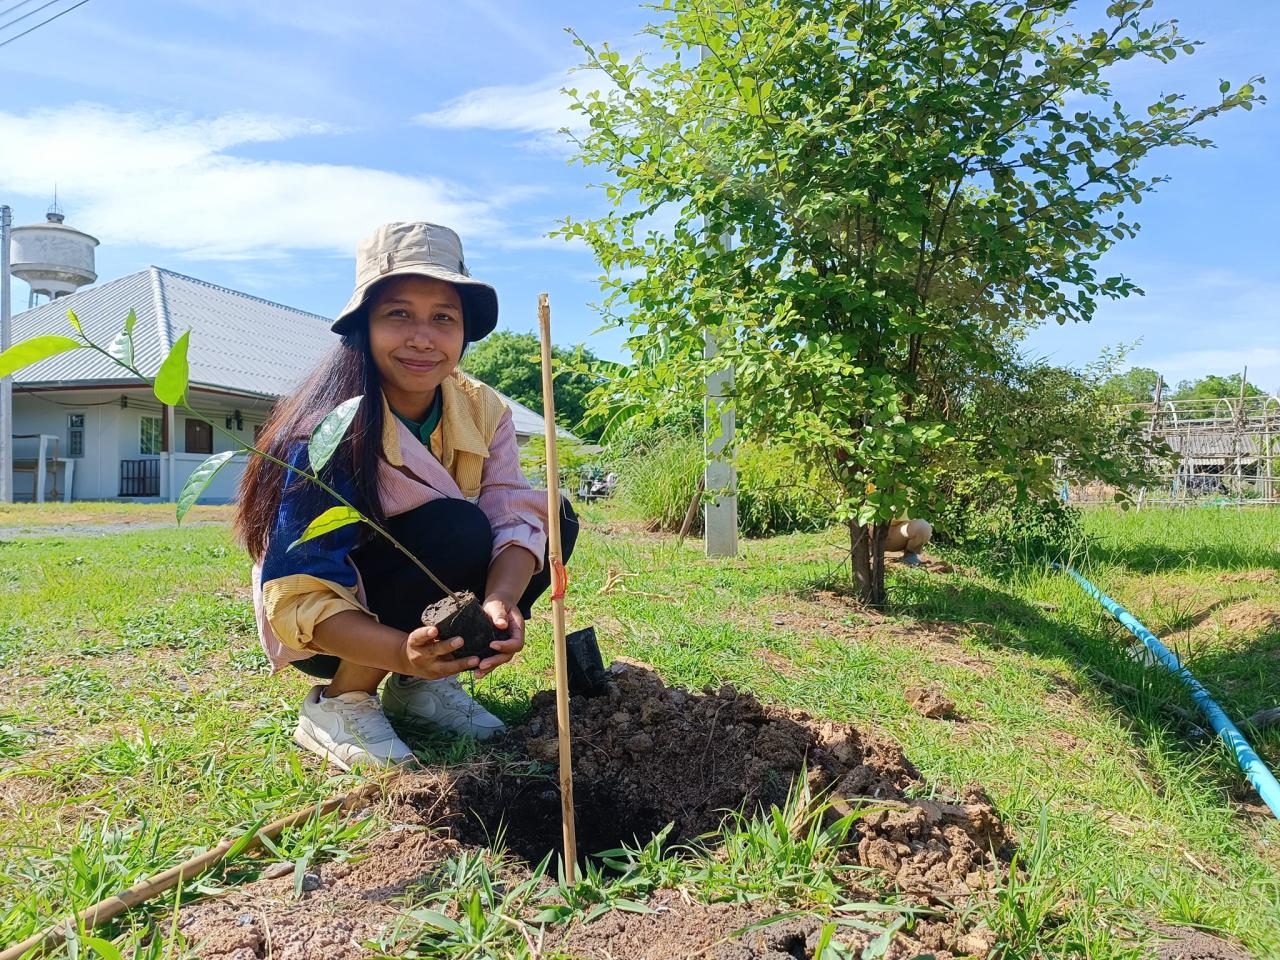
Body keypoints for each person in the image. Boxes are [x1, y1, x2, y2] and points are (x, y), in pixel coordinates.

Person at [234, 222, 577, 771]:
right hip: (337, 628)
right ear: (363, 327)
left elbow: (511, 510)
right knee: (454, 528)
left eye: (443, 317)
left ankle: (418, 690)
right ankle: (342, 702)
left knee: (553, 515)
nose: (423, 337)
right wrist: (400, 652)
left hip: (424, 603)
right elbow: (298, 589)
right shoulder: (324, 431)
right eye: (399, 314)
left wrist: (499, 603)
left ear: (464, 332)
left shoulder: (484, 411)